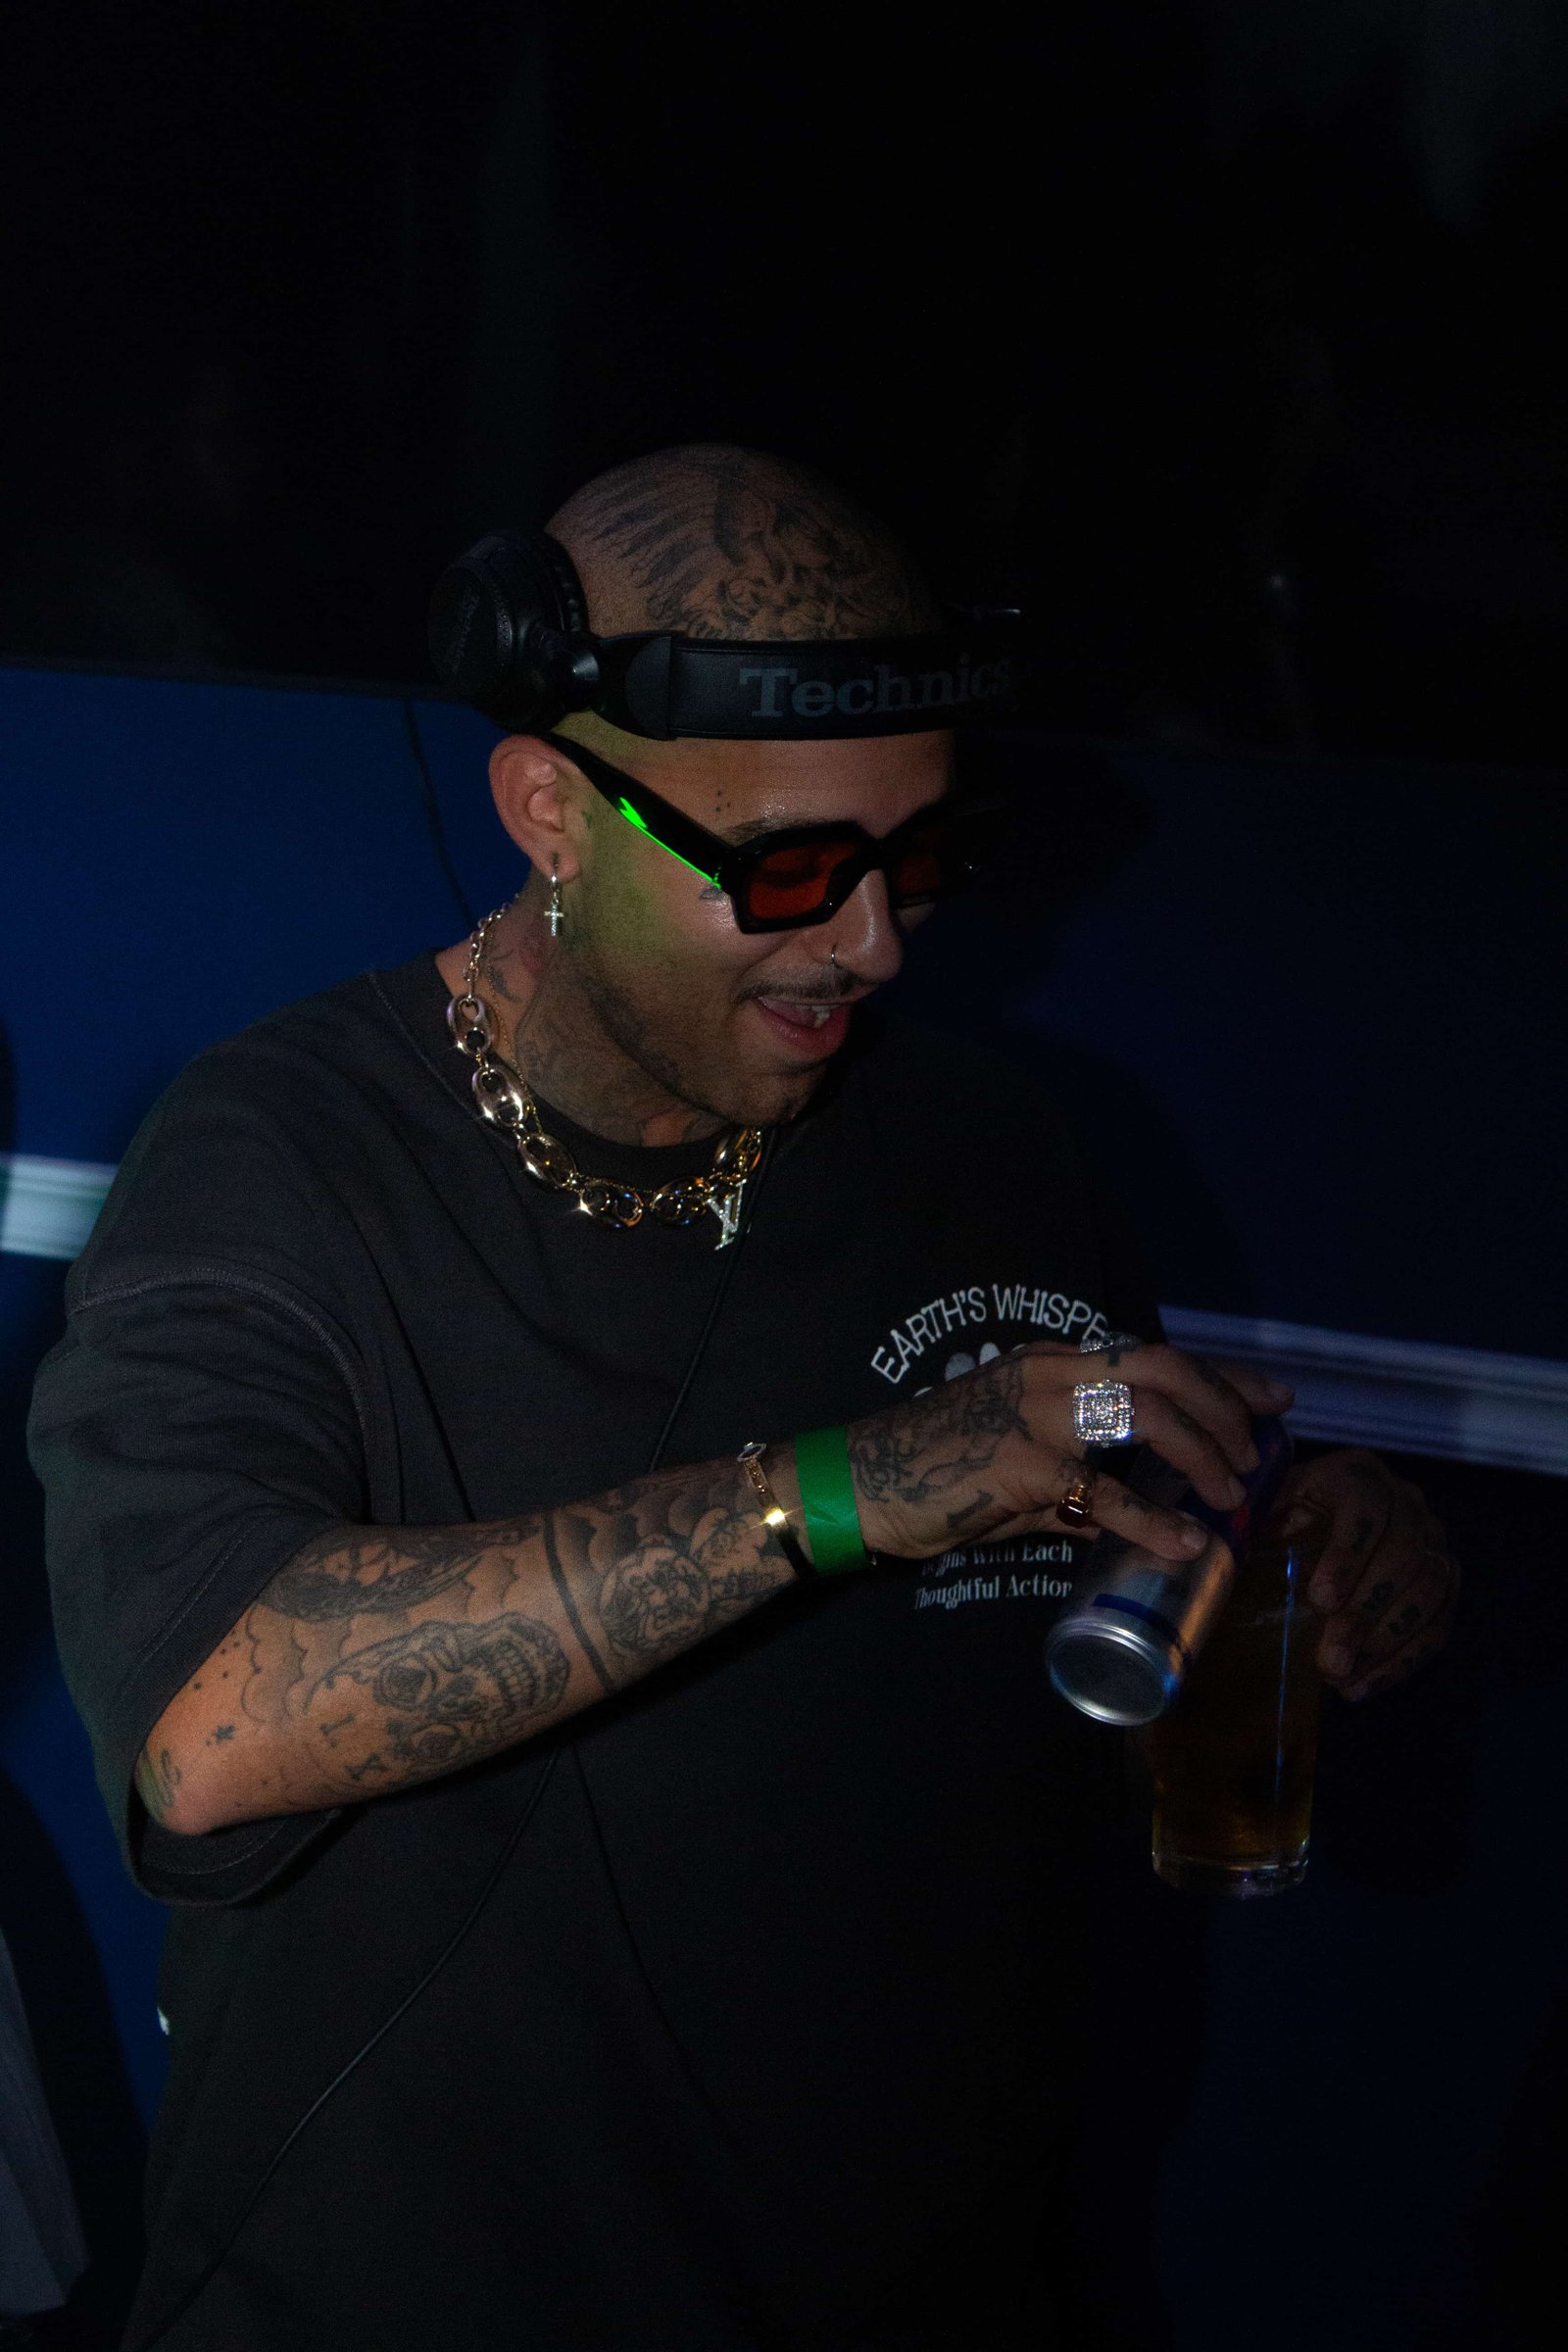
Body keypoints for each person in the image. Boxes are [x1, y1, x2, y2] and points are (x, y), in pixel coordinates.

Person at [29, 444, 1459, 2350]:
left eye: (920, 857)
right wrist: (854, 1487)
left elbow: (1057, 1678)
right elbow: (212, 1728)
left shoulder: (991, 1146)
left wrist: (1271, 1579)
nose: (869, 942)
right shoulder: (284, 1156)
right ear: (552, 810)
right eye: (787, 869)